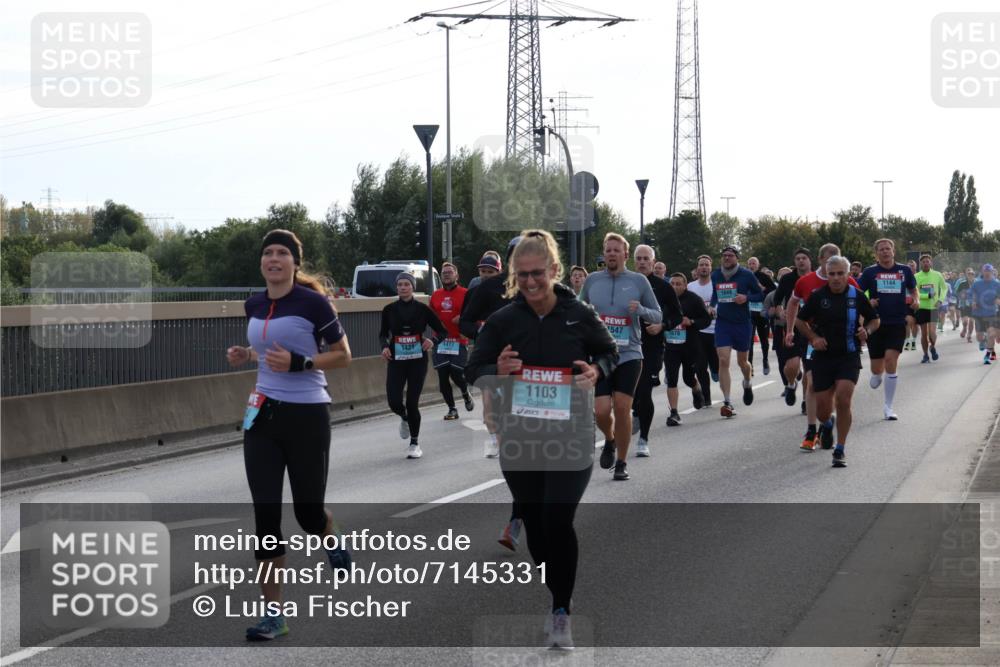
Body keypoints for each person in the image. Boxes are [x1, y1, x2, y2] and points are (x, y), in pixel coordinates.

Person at [465, 229, 617, 650]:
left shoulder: (579, 313)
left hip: (571, 433)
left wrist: (595, 371)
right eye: (523, 275)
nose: (531, 282)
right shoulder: (503, 320)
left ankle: (561, 611)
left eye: (538, 274)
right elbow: (473, 370)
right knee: (536, 528)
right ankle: (556, 592)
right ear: (514, 275)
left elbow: (609, 352)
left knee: (557, 520)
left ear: (554, 270)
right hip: (521, 437)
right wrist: (496, 367)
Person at [226, 229, 353, 641]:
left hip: (307, 415)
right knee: (265, 517)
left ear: (295, 263)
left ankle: (327, 531)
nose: (274, 259)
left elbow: (343, 356)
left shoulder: (313, 302)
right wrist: (247, 356)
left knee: (307, 514)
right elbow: (268, 351)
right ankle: (274, 615)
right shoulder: (255, 302)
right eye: (268, 253)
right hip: (262, 416)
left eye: (283, 253)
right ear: (261, 263)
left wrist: (301, 363)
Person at [580, 233, 662, 480]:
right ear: (604, 254)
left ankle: (622, 462)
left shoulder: (638, 281)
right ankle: (610, 439)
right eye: (608, 250)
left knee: (623, 406)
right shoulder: (593, 280)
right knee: (602, 410)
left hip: (629, 353)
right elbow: (577, 308)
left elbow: (657, 315)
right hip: (602, 355)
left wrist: (641, 310)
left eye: (617, 250)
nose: (612, 254)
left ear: (626, 255)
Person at [795, 256, 880, 467]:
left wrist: (866, 331)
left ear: (848, 274)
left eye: (840, 273)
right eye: (831, 273)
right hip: (823, 358)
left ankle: (840, 449)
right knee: (824, 410)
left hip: (848, 356)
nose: (835, 278)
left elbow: (875, 319)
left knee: (844, 398)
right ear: (826, 273)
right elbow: (799, 320)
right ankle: (827, 423)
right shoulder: (817, 296)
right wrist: (813, 338)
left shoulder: (856, 295)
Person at [784, 243, 860, 451]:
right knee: (811, 382)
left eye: (837, 260)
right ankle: (811, 431)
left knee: (834, 389)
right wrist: (790, 330)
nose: (833, 269)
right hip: (812, 338)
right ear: (820, 262)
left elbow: (860, 308)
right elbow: (793, 304)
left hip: (840, 345)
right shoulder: (806, 281)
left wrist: (862, 331)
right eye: (829, 261)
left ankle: (826, 422)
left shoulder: (848, 281)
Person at [380, 272, 449, 459]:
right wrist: (385, 347)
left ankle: (414, 443)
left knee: (412, 402)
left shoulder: (422, 309)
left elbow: (442, 331)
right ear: (396, 287)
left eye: (406, 284)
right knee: (394, 401)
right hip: (396, 360)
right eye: (400, 284)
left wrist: (433, 341)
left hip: (417, 361)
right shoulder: (389, 310)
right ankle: (403, 417)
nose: (403, 287)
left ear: (412, 287)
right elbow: (382, 334)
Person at [857, 239, 918, 420]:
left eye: (888, 249)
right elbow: (857, 294)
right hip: (875, 323)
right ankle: (877, 374)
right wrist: (869, 302)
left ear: (893, 251)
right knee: (877, 370)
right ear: (876, 253)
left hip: (897, 323)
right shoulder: (869, 272)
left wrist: (917, 300)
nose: (885, 252)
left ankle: (888, 407)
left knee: (891, 361)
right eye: (881, 250)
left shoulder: (904, 270)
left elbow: (913, 290)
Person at [631, 245, 683, 454]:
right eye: (639, 258)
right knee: (629, 392)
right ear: (633, 261)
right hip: (627, 345)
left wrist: (662, 326)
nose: (642, 262)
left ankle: (643, 438)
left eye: (646, 259)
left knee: (644, 391)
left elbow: (677, 315)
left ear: (653, 263)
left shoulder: (663, 287)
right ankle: (635, 411)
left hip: (652, 347)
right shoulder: (627, 283)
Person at [709, 245, 763, 417]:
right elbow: (716, 294)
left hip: (742, 323)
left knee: (742, 363)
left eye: (730, 256)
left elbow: (760, 294)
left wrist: (746, 297)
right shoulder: (716, 274)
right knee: (723, 360)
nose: (726, 258)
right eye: (724, 255)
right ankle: (728, 402)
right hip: (723, 322)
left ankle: (747, 382)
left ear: (737, 258)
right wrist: (712, 306)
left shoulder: (747, 275)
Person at [663, 273, 712, 425]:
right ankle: (674, 413)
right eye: (672, 283)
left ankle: (696, 388)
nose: (675, 286)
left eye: (678, 284)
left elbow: (706, 320)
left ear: (685, 285)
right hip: (671, 346)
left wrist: (691, 321)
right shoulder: (663, 299)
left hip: (690, 346)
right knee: (671, 379)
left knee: (687, 378)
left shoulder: (694, 299)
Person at [429, 262, 475, 421]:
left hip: (459, 340)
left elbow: (474, 315)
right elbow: (431, 316)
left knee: (456, 373)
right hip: (441, 341)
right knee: (442, 376)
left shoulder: (466, 293)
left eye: (450, 272)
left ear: (457, 275)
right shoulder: (435, 295)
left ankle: (465, 393)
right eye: (444, 273)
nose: (446, 274)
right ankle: (452, 409)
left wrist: (462, 319)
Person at [771, 249, 813, 412]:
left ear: (810, 260)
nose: (801, 261)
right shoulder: (788, 279)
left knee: (809, 368)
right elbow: (777, 297)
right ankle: (791, 384)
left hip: (811, 328)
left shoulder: (816, 278)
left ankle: (805, 401)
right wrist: (779, 308)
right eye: (797, 259)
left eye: (804, 258)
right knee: (792, 366)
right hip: (792, 327)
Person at [688, 255, 720, 397]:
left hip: (716, 330)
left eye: (707, 265)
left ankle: (715, 369)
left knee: (716, 363)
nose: (704, 267)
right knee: (700, 367)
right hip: (698, 331)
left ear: (711, 268)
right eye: (701, 265)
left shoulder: (716, 285)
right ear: (697, 268)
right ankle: (706, 398)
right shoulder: (691, 287)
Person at [914, 254, 948, 363]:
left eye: (927, 261)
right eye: (923, 262)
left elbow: (944, 288)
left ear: (931, 263)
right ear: (920, 264)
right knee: (924, 334)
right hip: (922, 307)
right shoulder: (916, 276)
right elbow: (915, 292)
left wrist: (940, 300)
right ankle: (925, 355)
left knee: (932, 332)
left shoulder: (937, 275)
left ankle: (932, 347)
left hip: (933, 307)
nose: (925, 263)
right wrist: (927, 296)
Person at [746, 256, 776, 375]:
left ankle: (765, 360)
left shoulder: (764, 277)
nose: (752, 265)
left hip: (762, 312)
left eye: (754, 263)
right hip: (748, 312)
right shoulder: (744, 277)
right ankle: (750, 365)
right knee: (750, 340)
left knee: (764, 339)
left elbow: (773, 291)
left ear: (758, 265)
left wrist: (762, 288)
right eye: (750, 263)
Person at [970, 264, 1000, 364]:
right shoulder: (977, 284)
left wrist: (997, 300)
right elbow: (971, 294)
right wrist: (973, 302)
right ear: (982, 272)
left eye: (989, 271)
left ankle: (987, 355)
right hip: (978, 313)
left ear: (992, 272)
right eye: (985, 271)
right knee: (979, 337)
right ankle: (983, 341)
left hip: (991, 313)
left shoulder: (997, 284)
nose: (987, 273)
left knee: (991, 334)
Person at [956, 267, 977, 342]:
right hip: (964, 304)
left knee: (971, 321)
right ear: (966, 276)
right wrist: (961, 295)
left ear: (974, 275)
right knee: (965, 321)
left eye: (972, 274)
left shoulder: (977, 283)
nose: (970, 276)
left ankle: (969, 335)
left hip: (974, 305)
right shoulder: (962, 284)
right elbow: (957, 293)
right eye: (969, 274)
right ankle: (964, 328)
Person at [905, 259, 920, 350]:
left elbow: (922, 291)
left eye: (912, 266)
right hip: (906, 303)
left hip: (918, 303)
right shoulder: (903, 276)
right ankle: (907, 341)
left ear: (916, 267)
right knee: (907, 322)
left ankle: (913, 341)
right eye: (909, 266)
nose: (910, 268)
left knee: (915, 324)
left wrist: (917, 300)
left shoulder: (919, 277)